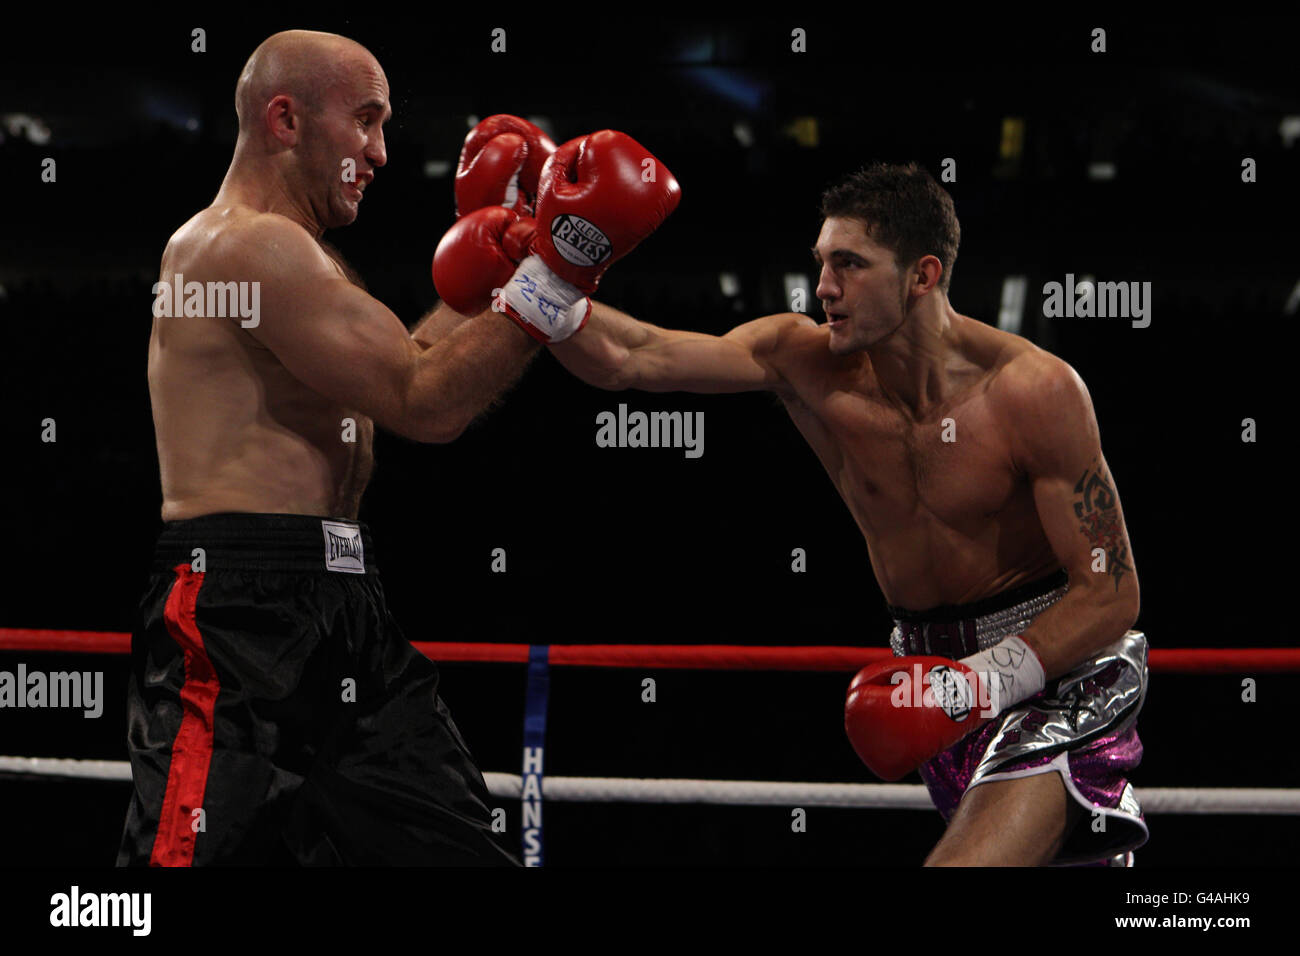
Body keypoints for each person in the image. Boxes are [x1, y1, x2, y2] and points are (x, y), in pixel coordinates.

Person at [119, 27, 677, 865]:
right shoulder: (243, 246)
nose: (382, 151)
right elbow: (427, 405)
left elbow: (409, 368)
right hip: (236, 612)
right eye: (367, 121)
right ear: (286, 118)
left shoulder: (301, 255)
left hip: (344, 600)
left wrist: (510, 243)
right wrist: (561, 268)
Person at [544, 161, 1147, 866]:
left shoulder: (1034, 390)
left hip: (1056, 675)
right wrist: (535, 274)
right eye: (822, 262)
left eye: (850, 264)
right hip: (926, 673)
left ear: (922, 276)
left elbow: (1112, 593)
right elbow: (628, 358)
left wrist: (979, 682)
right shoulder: (803, 360)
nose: (823, 287)